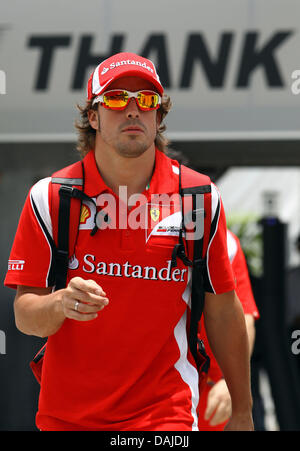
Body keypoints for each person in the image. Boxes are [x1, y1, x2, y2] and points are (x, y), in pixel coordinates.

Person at [4, 52, 253, 431]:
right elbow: (25, 315)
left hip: (165, 414)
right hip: (67, 417)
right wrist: (61, 303)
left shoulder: (199, 197)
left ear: (159, 116)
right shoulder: (50, 197)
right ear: (93, 116)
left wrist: (242, 409)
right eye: (117, 99)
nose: (133, 110)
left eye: (147, 100)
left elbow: (224, 311)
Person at [198, 229, 259, 430]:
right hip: (160, 388)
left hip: (213, 391)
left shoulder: (225, 240)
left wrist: (229, 383)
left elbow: (244, 318)